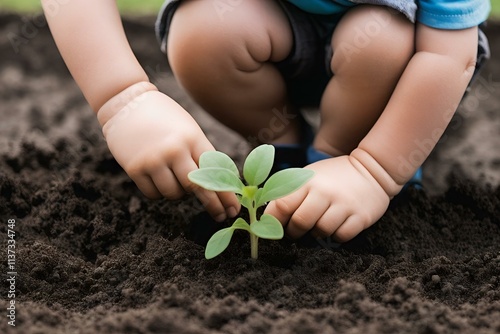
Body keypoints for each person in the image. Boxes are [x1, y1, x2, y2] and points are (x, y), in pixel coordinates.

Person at [42, 0, 490, 243]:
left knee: (381, 38)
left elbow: (448, 55)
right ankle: (285, 152)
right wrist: (123, 98)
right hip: (271, 36)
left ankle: (340, 160)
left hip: (398, 68)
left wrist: (374, 170)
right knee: (206, 27)